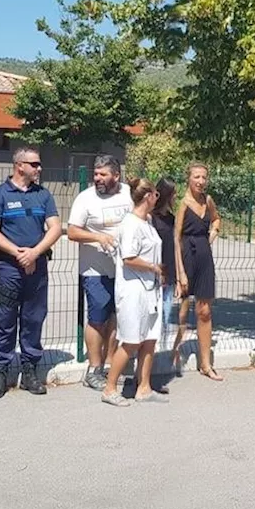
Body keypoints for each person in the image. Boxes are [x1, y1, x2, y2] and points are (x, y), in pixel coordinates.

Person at [0, 147, 62, 398]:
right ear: (19, 166)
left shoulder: (44, 195)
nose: (39, 169)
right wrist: (19, 253)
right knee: (6, 321)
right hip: (8, 268)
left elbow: (55, 228)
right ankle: (0, 372)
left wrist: (34, 253)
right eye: (35, 164)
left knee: (33, 319)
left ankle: (30, 371)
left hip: (36, 268)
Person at [67, 154, 132, 391]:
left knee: (116, 317)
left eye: (103, 174)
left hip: (125, 269)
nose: (98, 179)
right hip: (95, 270)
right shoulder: (85, 199)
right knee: (97, 319)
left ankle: (110, 365)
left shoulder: (128, 194)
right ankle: (93, 369)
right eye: (95, 174)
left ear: (116, 175)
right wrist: (98, 237)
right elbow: (72, 231)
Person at [102, 179, 167, 406]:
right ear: (148, 196)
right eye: (155, 194)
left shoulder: (147, 222)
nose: (157, 199)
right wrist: (153, 267)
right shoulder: (130, 224)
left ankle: (144, 387)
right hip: (133, 289)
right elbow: (129, 258)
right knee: (131, 340)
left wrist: (158, 274)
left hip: (150, 288)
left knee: (149, 338)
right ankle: (110, 388)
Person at [172, 162, 223, 380]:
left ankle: (205, 363)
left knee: (204, 311)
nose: (201, 181)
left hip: (204, 256)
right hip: (186, 256)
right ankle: (174, 353)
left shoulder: (208, 200)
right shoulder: (183, 203)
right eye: (196, 177)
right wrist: (180, 273)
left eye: (204, 177)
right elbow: (176, 237)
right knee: (182, 309)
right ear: (189, 179)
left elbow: (216, 219)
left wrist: (213, 233)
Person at [151, 178, 179, 352]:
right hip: (154, 272)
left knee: (166, 313)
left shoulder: (171, 218)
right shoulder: (150, 218)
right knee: (154, 314)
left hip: (170, 271)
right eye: (174, 192)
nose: (176, 196)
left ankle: (161, 349)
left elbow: (174, 245)